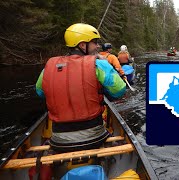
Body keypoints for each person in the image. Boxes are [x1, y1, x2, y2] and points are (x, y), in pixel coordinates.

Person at [35, 23, 126, 152]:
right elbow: (119, 90)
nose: (98, 46)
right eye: (94, 42)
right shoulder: (99, 64)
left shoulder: (48, 68)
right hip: (94, 135)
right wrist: (106, 67)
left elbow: (40, 93)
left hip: (59, 138)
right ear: (82, 45)